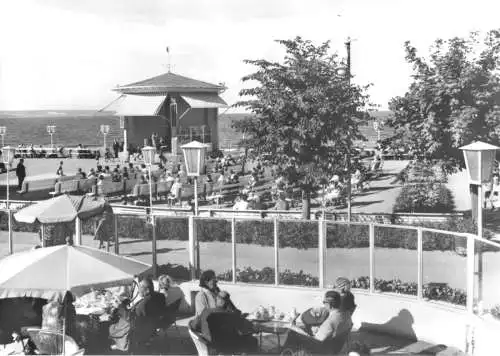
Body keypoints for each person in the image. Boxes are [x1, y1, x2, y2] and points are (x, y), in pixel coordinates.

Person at [281, 290, 353, 355]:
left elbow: (315, 341)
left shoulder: (330, 321)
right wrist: (320, 330)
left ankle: (285, 353)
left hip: (321, 351)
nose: (323, 305)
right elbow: (331, 331)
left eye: (324, 302)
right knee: (303, 330)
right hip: (334, 347)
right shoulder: (346, 315)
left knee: (293, 333)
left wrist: (294, 328)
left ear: (329, 304)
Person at [189, 294, 257, 354]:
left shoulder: (205, 312)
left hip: (208, 347)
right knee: (253, 340)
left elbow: (193, 326)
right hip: (225, 349)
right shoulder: (231, 315)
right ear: (227, 303)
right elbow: (246, 328)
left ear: (216, 300)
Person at [131, 278, 167, 353]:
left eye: (140, 288)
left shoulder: (142, 305)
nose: (138, 290)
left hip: (143, 330)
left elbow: (135, 321)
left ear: (147, 290)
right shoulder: (161, 296)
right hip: (155, 324)